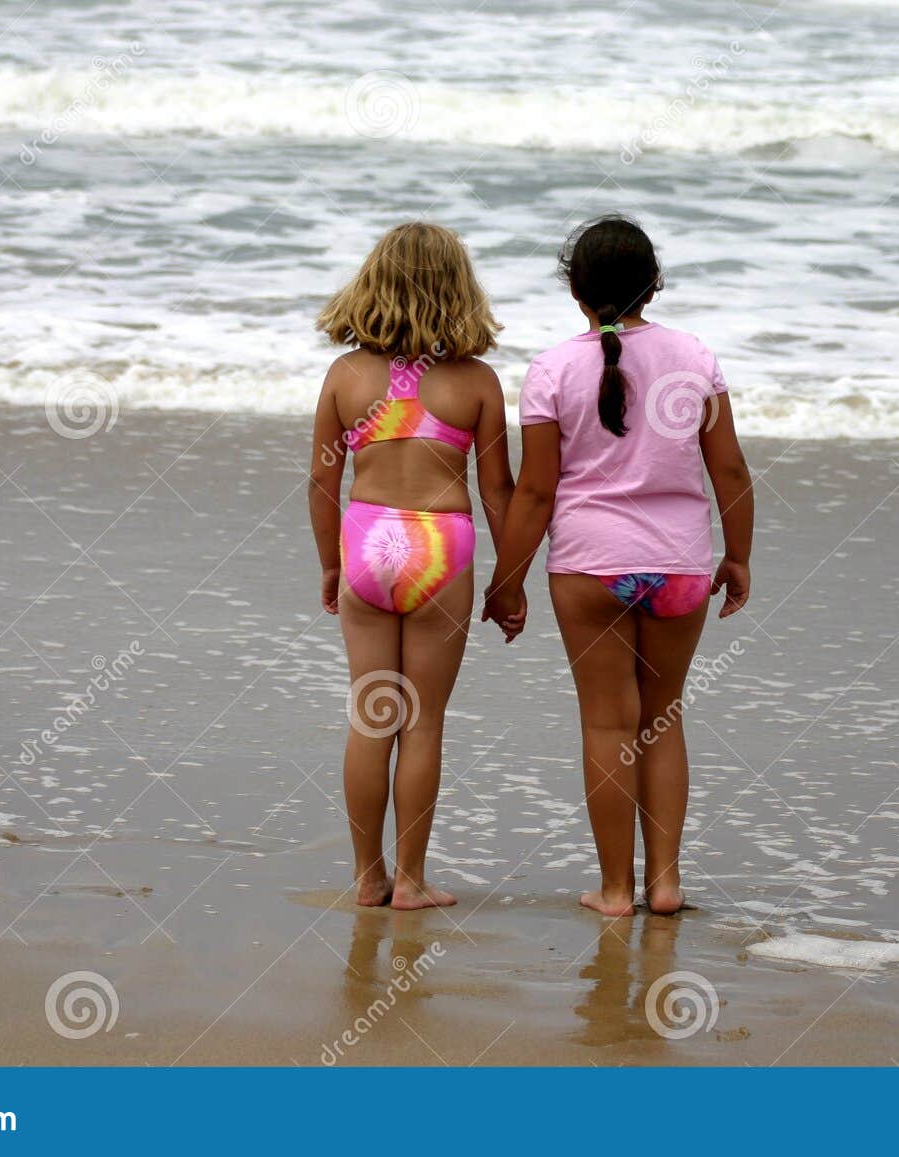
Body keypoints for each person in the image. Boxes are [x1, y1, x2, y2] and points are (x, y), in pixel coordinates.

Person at [484, 215, 753, 917]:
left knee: (609, 724)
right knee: (662, 719)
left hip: (590, 567)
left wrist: (506, 580)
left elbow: (537, 490)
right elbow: (729, 470)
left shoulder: (552, 369)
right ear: (654, 286)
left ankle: (613, 891)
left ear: (575, 290)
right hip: (681, 565)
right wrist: (739, 556)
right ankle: (665, 883)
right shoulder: (695, 356)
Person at [309, 222, 517, 910]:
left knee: (372, 716)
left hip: (365, 538)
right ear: (459, 291)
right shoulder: (477, 383)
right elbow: (498, 494)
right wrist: (508, 580)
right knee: (422, 722)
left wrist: (330, 566)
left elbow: (320, 485)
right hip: (440, 544)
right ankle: (411, 880)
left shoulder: (345, 376)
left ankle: (367, 876)